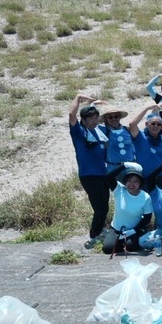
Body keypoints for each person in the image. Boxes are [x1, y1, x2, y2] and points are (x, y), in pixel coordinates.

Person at [69, 95, 109, 247]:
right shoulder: (79, 133)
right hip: (89, 175)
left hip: (103, 174)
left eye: (96, 118)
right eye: (90, 119)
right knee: (100, 207)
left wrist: (97, 104)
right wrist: (78, 98)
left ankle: (100, 230)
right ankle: (94, 235)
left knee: (104, 205)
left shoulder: (99, 132)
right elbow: (72, 115)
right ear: (84, 120)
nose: (94, 121)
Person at [103, 163, 153, 255]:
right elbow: (108, 177)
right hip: (117, 230)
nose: (131, 184)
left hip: (134, 230)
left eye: (135, 181)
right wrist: (124, 165)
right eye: (129, 181)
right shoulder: (119, 190)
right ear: (125, 182)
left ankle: (134, 239)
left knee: (130, 246)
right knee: (107, 249)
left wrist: (133, 231)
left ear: (140, 183)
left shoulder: (145, 197)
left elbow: (147, 218)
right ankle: (120, 242)